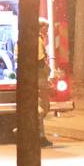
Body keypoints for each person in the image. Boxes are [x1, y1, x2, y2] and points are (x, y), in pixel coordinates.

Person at [37, 18, 54, 148]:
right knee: (42, 108)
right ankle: (37, 135)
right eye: (45, 27)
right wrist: (48, 71)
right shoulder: (37, 40)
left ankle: (39, 136)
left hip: (35, 78)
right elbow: (39, 61)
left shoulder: (36, 39)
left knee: (40, 109)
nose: (47, 30)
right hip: (39, 78)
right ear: (40, 27)